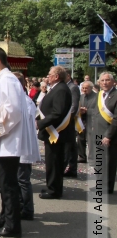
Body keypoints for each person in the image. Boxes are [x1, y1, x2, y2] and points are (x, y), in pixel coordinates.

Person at [0, 47, 31, 238]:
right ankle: (5, 219)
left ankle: (12, 226)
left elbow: (13, 111)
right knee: (5, 184)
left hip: (9, 141)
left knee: (9, 185)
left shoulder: (7, 80)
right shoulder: (3, 80)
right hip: (5, 139)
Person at [36, 66, 74, 199]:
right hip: (52, 132)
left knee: (55, 162)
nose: (47, 76)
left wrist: (40, 123)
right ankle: (51, 186)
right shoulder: (57, 88)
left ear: (56, 76)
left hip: (57, 133)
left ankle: (54, 190)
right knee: (52, 162)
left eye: (49, 74)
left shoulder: (61, 90)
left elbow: (58, 112)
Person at [13, 72, 41, 221]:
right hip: (20, 144)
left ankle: (27, 210)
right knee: (19, 179)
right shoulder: (24, 100)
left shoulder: (24, 101)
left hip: (22, 145)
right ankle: (21, 206)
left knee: (23, 180)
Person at [90, 72, 117, 194]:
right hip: (97, 132)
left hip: (110, 135)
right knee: (99, 160)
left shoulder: (116, 95)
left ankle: (107, 187)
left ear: (112, 82)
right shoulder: (99, 95)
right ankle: (100, 184)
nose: (105, 83)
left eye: (107, 80)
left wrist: (108, 135)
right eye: (102, 81)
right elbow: (96, 113)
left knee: (108, 162)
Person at [63, 69, 81, 178]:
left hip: (68, 122)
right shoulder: (66, 86)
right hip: (67, 121)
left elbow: (74, 106)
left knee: (68, 146)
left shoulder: (72, 87)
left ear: (68, 76)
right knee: (72, 146)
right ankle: (72, 168)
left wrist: (67, 120)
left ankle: (69, 168)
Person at [77, 81, 97, 163]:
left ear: (91, 88)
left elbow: (98, 110)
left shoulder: (96, 97)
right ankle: (82, 157)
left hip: (92, 121)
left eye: (86, 88)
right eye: (83, 88)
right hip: (82, 120)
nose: (84, 90)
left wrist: (87, 111)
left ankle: (92, 158)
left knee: (91, 140)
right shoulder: (81, 96)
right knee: (80, 139)